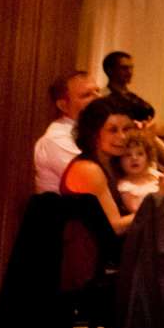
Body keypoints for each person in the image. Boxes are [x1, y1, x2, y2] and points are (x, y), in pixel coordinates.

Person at [59, 97, 147, 240]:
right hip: (89, 256)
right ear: (94, 134)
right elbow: (114, 227)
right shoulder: (87, 169)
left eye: (127, 129)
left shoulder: (115, 161)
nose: (123, 136)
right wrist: (154, 206)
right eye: (113, 130)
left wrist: (153, 137)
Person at [34, 69, 98, 193]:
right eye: (87, 95)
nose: (98, 98)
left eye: (97, 91)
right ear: (63, 106)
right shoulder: (57, 139)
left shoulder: (89, 130)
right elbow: (92, 181)